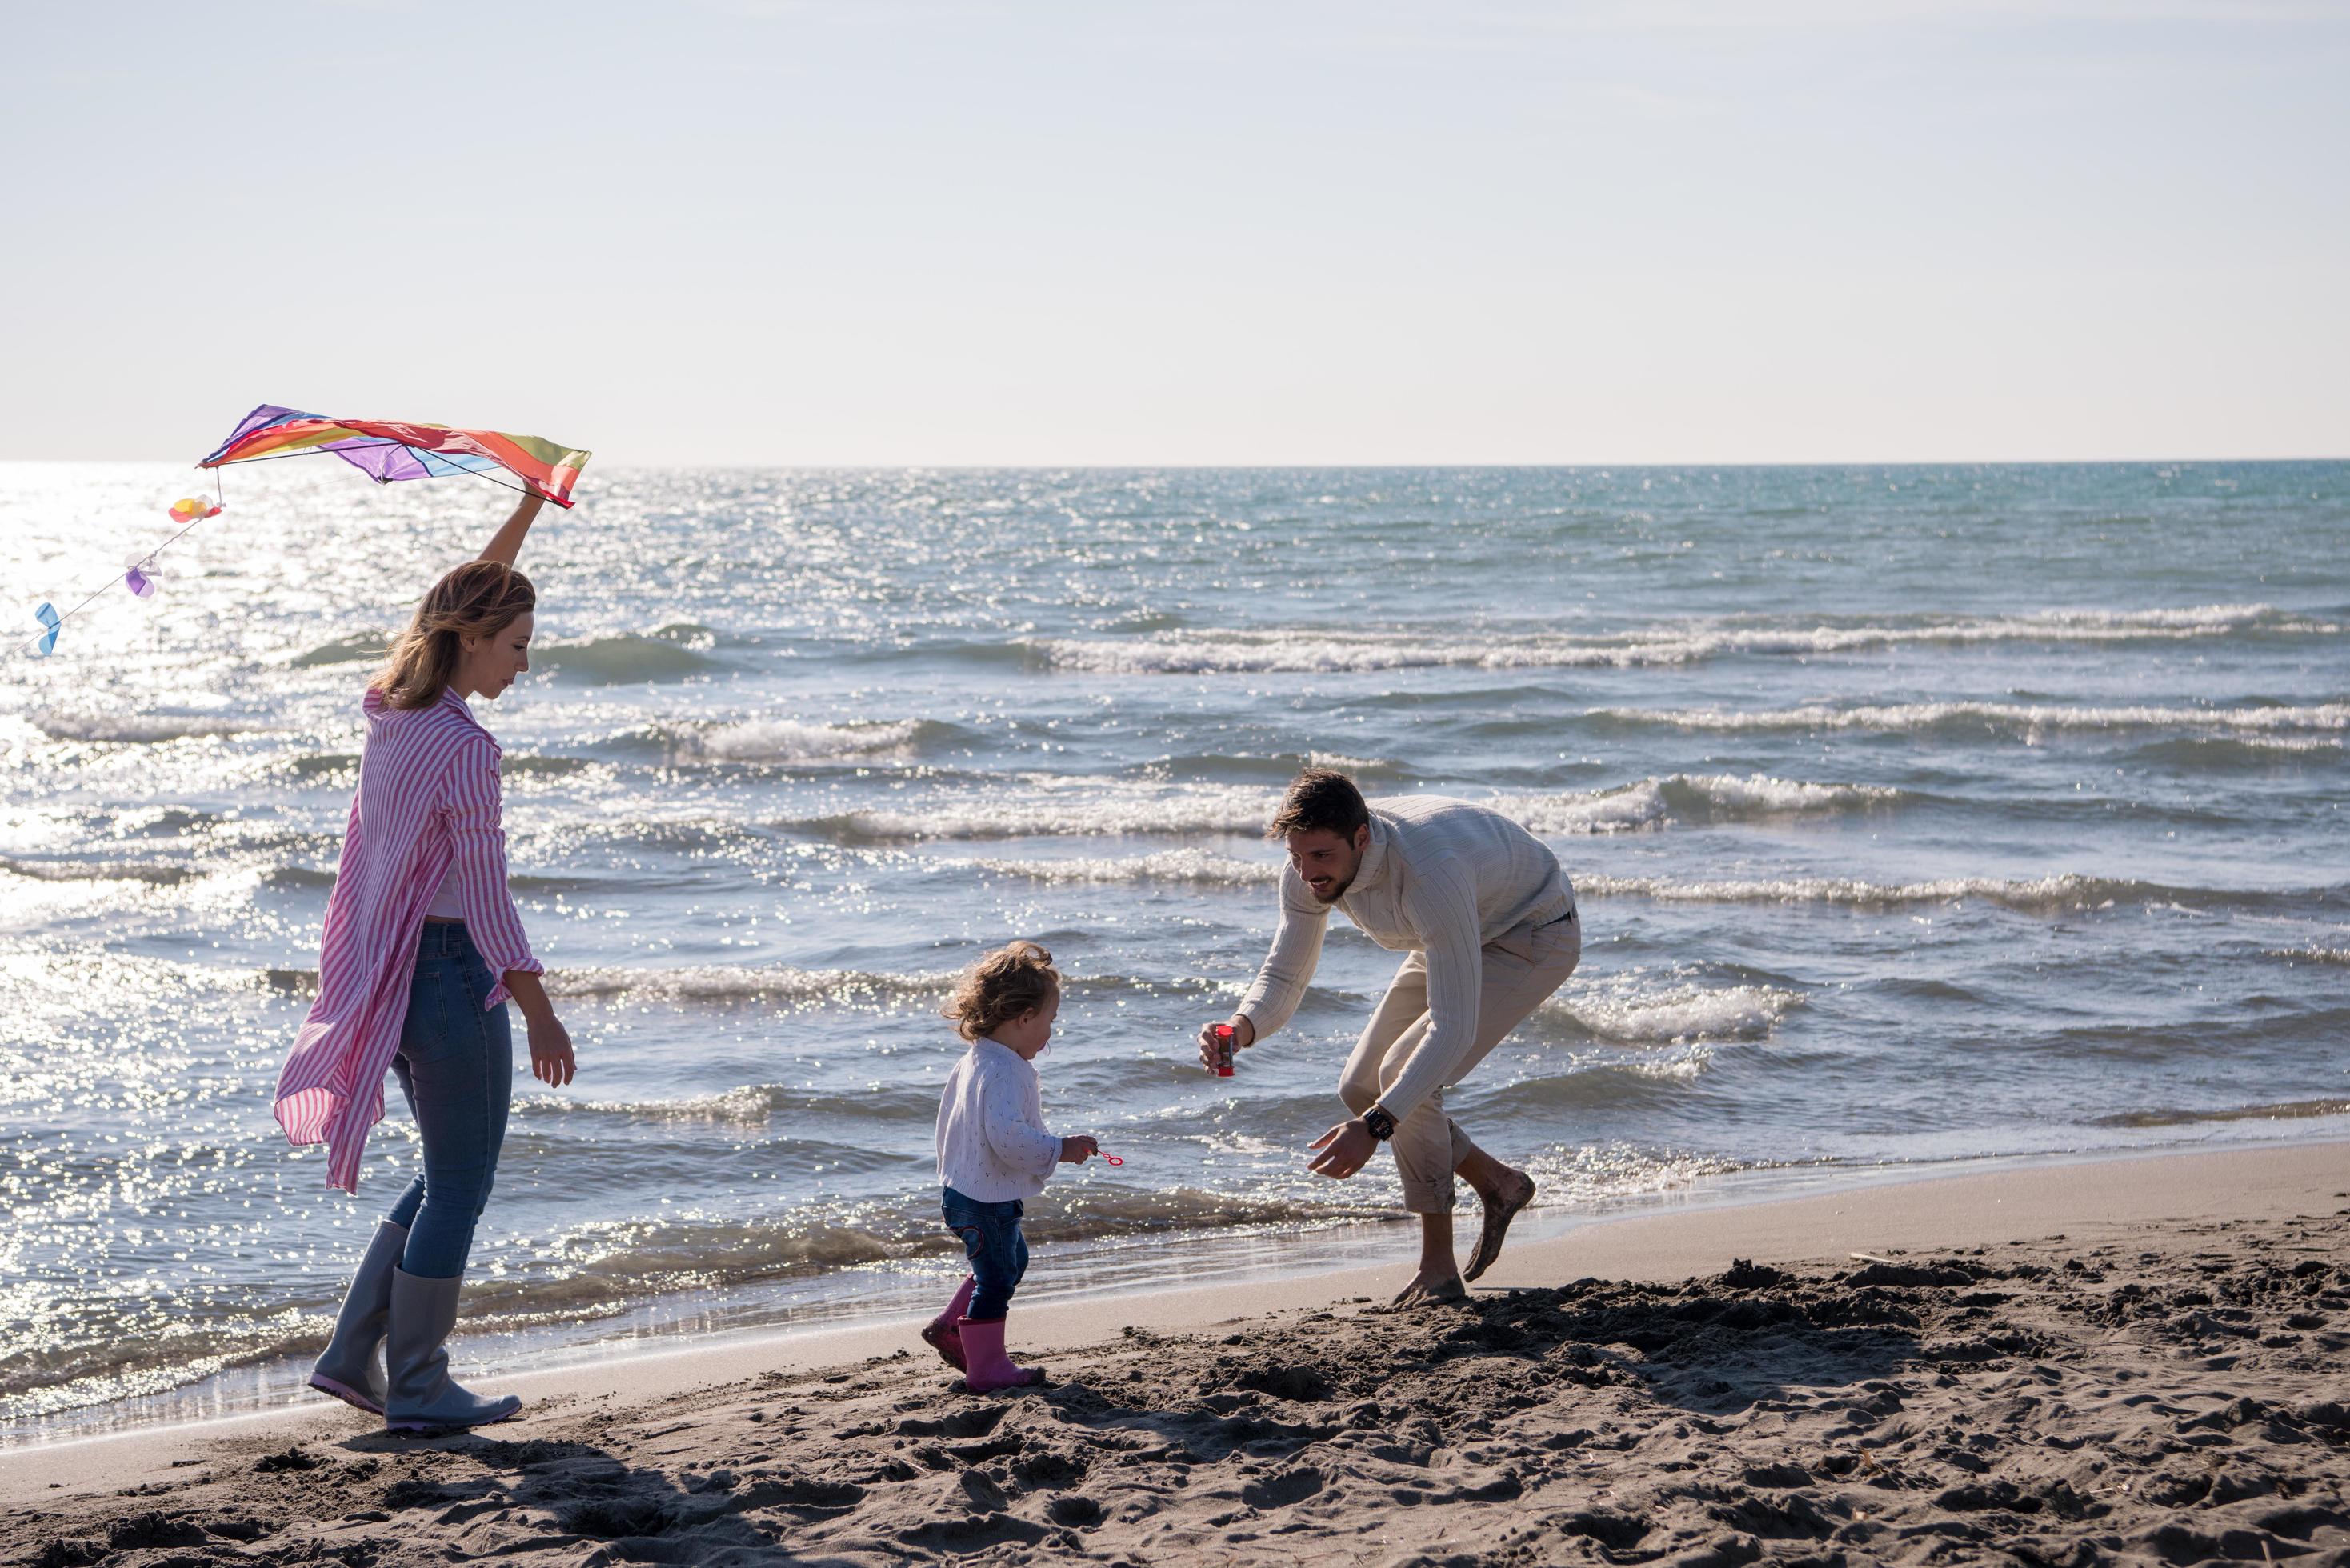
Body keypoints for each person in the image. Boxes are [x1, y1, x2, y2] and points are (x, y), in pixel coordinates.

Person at [278, 493, 578, 1433]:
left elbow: (441, 607)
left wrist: (529, 507)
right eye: (519, 644)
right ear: (478, 639)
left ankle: (347, 1357)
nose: (525, 663)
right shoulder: (463, 747)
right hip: (451, 977)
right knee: (461, 1183)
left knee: (444, 1170)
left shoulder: (389, 709)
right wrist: (539, 1009)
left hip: (396, 978)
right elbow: (488, 901)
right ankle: (416, 1385)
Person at [1200, 768, 1579, 1304]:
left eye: (1321, 857)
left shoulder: (1428, 874)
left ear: (1361, 837)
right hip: (1450, 934)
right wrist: (1239, 1027)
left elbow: (1452, 1031)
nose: (1307, 873)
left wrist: (1375, 1127)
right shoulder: (1310, 868)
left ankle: (1438, 1269)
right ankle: (1498, 1184)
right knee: (1360, 1086)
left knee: (1402, 1084)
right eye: (1296, 856)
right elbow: (1286, 974)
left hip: (1532, 933)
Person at [925, 941, 1100, 1393]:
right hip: (986, 1200)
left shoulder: (980, 1058)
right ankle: (986, 1369)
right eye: (1049, 1023)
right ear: (1024, 1018)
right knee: (998, 1278)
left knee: (1007, 1262)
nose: (1050, 1035)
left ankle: (952, 1327)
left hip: (963, 1190)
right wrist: (1059, 1148)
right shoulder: (1004, 1072)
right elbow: (1009, 1141)